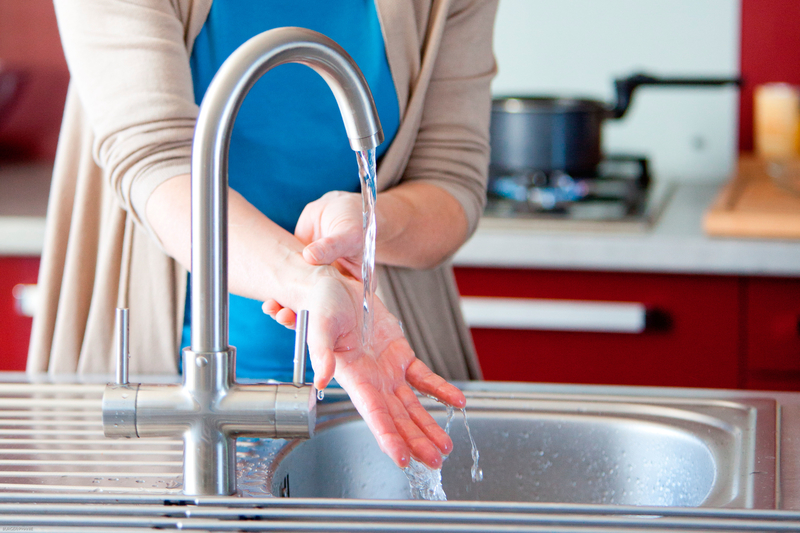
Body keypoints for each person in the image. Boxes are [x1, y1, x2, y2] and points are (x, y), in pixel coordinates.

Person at [28, 0, 498, 471]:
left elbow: (451, 177)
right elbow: (156, 163)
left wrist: (369, 222)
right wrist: (309, 281)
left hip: (380, 374)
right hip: (153, 382)